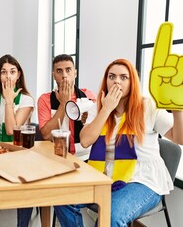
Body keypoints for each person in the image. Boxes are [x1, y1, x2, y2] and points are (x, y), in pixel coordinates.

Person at [54, 59, 183, 226]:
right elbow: (85, 141)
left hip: (143, 179)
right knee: (61, 197)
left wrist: (177, 108)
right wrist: (106, 109)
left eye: (123, 77)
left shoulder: (148, 106)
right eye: (111, 76)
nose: (116, 81)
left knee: (110, 215)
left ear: (132, 83)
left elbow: (179, 138)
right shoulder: (100, 106)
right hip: (106, 176)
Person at [17, 54, 96, 227]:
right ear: (53, 74)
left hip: (87, 161)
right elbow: (45, 134)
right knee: (50, 190)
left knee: (64, 198)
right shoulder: (45, 99)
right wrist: (64, 103)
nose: (64, 75)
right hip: (57, 161)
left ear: (75, 72)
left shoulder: (89, 96)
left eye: (68, 70)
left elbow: (100, 127)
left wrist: (88, 119)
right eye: (59, 71)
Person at [0, 54, 34, 141]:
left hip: (18, 149)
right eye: (3, 72)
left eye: (12, 72)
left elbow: (11, 130)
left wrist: (9, 101)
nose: (8, 76)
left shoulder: (26, 100)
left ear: (18, 75)